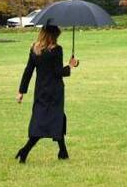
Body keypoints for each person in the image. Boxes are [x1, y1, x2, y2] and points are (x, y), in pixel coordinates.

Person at [15, 25, 79, 163]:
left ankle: (63, 152)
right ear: (53, 36)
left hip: (41, 91)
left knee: (57, 118)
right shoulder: (56, 50)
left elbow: (28, 71)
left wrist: (21, 91)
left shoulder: (35, 49)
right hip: (55, 92)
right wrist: (70, 66)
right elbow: (57, 72)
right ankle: (24, 150)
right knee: (45, 123)